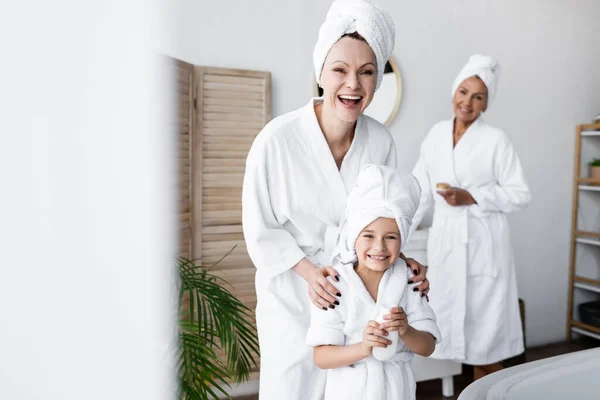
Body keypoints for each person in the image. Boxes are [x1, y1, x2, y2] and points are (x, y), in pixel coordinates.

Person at [242, 1, 430, 398]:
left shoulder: (380, 140)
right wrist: (310, 273)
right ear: (321, 73)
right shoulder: (277, 140)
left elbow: (387, 217)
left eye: (366, 73)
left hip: (355, 296)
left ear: (378, 81)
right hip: (293, 295)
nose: (353, 85)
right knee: (292, 388)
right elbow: (261, 231)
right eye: (340, 70)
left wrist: (403, 262)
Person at [411, 54, 531, 380]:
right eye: (463, 91)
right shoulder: (436, 135)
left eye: (478, 96)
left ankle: (497, 390)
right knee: (454, 329)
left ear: (486, 105)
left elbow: (520, 193)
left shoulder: (496, 140)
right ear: (454, 92)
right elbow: (419, 190)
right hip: (447, 243)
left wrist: (472, 197)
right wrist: (400, 229)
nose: (467, 102)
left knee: (485, 339)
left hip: (483, 243)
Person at [306, 164, 440, 400]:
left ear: (402, 240)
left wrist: (406, 330)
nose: (379, 247)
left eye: (391, 237)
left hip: (398, 392)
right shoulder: (335, 285)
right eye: (368, 235)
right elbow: (321, 357)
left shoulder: (410, 280)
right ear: (354, 236)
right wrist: (364, 347)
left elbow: (428, 347)